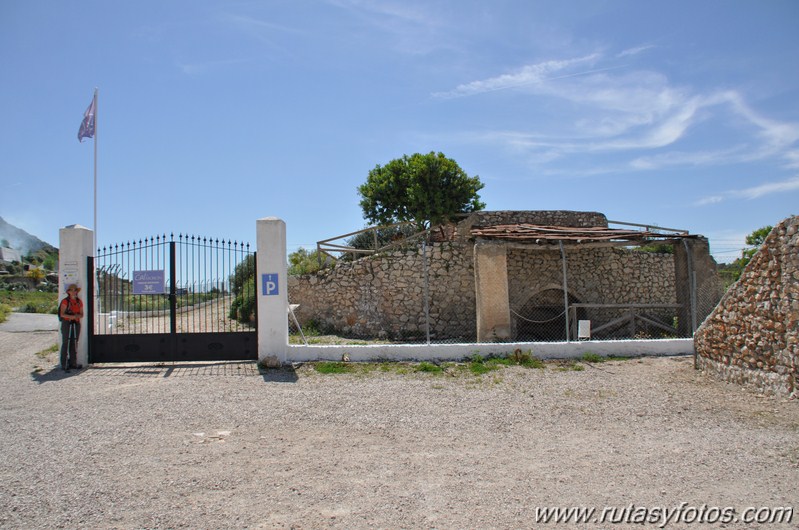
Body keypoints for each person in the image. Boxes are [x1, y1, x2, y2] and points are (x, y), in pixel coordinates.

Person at [59, 284, 84, 372]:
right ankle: (64, 364)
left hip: (76, 323)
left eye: (75, 290)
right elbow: (62, 314)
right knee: (66, 342)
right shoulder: (65, 301)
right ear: (68, 292)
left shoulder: (79, 301)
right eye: (72, 290)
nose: (74, 292)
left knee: (74, 342)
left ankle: (73, 363)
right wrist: (72, 316)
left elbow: (82, 314)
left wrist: (76, 316)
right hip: (67, 323)